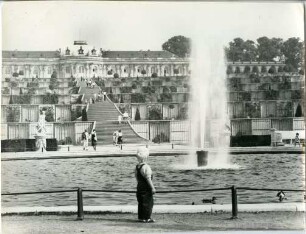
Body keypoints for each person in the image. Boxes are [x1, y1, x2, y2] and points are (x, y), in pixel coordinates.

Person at [135, 147, 156, 223]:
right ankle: (147, 218)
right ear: (146, 156)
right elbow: (148, 179)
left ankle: (141, 217)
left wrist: (140, 184)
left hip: (139, 187)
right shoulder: (146, 167)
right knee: (148, 203)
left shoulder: (137, 167)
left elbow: (137, 177)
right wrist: (152, 188)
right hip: (146, 188)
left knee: (141, 203)